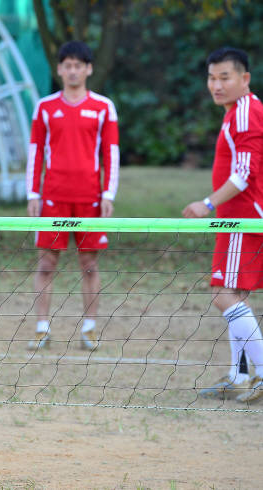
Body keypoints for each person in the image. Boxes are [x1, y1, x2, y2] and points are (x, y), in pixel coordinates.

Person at [25, 41, 119, 351]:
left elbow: (111, 152)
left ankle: (90, 328)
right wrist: (32, 191)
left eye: (79, 65)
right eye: (68, 65)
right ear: (60, 69)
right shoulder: (45, 107)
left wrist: (108, 192)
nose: (73, 70)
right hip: (53, 196)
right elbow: (36, 151)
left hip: (91, 197)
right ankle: (41, 327)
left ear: (89, 69)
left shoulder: (104, 106)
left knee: (89, 264)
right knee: (46, 263)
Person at [182, 47, 263, 403]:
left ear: (244, 79)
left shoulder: (246, 112)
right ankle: (239, 377)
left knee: (224, 295)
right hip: (237, 218)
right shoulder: (236, 112)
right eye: (212, 78)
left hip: (242, 218)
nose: (216, 85)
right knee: (235, 295)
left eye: (224, 77)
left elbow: (245, 173)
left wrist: (209, 202)